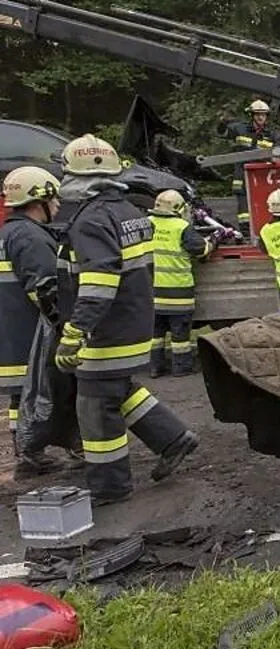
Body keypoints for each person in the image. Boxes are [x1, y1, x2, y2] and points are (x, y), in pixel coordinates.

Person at [53, 134, 199, 505]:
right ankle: (173, 438)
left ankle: (110, 487)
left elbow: (99, 282)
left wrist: (76, 331)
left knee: (95, 406)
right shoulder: (130, 212)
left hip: (106, 329)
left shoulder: (90, 221)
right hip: (133, 321)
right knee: (117, 388)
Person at [1, 166, 78, 478]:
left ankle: (28, 453)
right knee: (57, 390)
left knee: (21, 398)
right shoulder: (30, 237)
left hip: (11, 333)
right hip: (29, 334)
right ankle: (54, 450)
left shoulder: (8, 233)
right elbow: (45, 290)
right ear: (38, 201)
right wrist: (66, 327)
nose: (58, 204)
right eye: (54, 198)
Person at [147, 189, 218, 377]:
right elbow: (201, 250)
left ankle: (155, 367)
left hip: (152, 294)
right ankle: (181, 368)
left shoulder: (147, 224)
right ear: (178, 208)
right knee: (180, 336)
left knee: (155, 335)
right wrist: (215, 239)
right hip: (178, 294)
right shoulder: (181, 227)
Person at [217, 99, 280, 229]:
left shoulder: (274, 135)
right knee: (243, 205)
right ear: (252, 115)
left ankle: (266, 227)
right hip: (241, 174)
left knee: (263, 201)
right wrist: (223, 122)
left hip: (262, 175)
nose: (260, 117)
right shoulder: (239, 128)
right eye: (257, 114)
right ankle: (245, 230)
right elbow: (222, 133)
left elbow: (279, 156)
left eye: (263, 114)